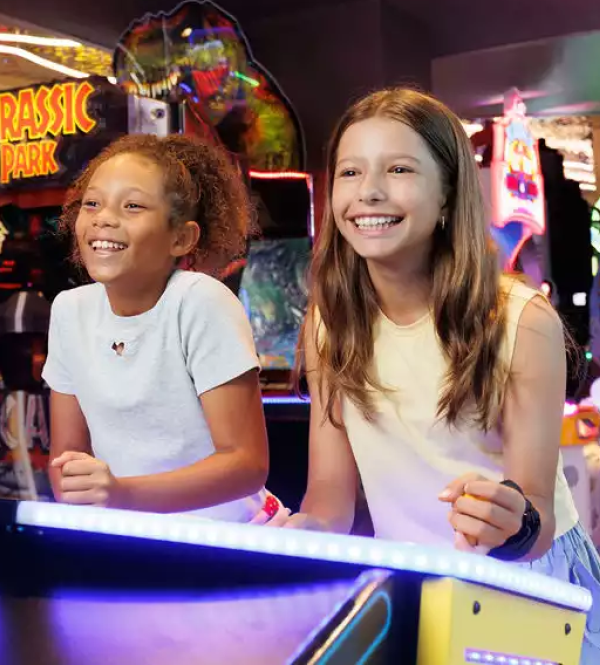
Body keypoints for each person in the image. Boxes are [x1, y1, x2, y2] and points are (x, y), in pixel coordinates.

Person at [286, 87, 600, 661]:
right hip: (409, 580)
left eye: (399, 168)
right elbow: (329, 498)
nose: (369, 192)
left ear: (449, 195)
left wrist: (510, 521)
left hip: (529, 586)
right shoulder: (328, 322)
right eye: (350, 172)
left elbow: (539, 519)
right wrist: (296, 538)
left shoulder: (521, 320)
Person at [44, 134, 286, 525]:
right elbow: (67, 461)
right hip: (132, 541)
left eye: (133, 206)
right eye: (92, 203)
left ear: (181, 238)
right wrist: (88, 495)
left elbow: (246, 464)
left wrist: (122, 495)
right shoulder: (69, 310)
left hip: (236, 539)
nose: (103, 218)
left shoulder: (200, 301)